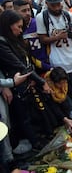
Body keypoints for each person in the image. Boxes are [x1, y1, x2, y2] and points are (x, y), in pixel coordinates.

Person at [0, 10, 51, 154]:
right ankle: (34, 143)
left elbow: (26, 61)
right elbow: (19, 65)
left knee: (31, 113)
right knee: (23, 118)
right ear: (8, 26)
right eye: (18, 27)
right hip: (15, 85)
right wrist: (41, 82)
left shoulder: (14, 40)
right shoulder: (2, 42)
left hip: (25, 82)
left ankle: (38, 138)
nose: (21, 30)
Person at [36, 0, 72, 114]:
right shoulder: (41, 17)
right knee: (62, 88)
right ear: (46, 3)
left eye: (58, 3)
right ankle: (71, 110)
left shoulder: (69, 16)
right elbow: (42, 39)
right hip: (56, 59)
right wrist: (58, 37)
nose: (56, 7)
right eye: (53, 5)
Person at [13, 0, 51, 75]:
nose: (27, 13)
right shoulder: (14, 28)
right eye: (23, 11)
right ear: (15, 12)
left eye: (28, 10)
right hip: (29, 67)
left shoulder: (38, 22)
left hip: (47, 62)